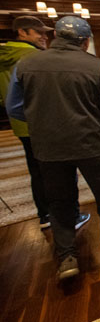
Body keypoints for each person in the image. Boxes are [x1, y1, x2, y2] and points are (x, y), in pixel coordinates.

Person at [6, 16, 100, 280]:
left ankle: (66, 258)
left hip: (48, 146)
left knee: (58, 202)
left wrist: (43, 119)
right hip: (92, 143)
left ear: (55, 36)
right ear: (85, 41)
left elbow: (14, 108)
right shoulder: (99, 67)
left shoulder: (25, 65)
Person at [0, 16, 90, 230]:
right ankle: (68, 216)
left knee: (38, 171)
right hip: (45, 124)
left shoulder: (6, 56)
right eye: (38, 32)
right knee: (61, 172)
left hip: (23, 124)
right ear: (22, 32)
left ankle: (45, 214)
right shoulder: (33, 58)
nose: (44, 37)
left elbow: (11, 102)